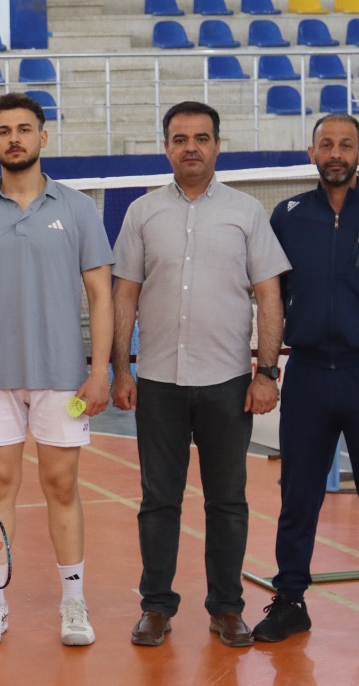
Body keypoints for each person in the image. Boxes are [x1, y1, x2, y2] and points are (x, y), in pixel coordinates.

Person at [110, 101, 290, 649]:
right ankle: (156, 607)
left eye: (201, 138)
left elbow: (269, 295)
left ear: (217, 145)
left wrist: (266, 372)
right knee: (158, 501)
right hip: (159, 381)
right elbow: (124, 295)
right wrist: (121, 368)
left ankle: (227, 608)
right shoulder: (142, 212)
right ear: (166, 146)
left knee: (227, 501)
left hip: (227, 383)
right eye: (180, 138)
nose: (191, 147)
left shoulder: (247, 213)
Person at [0, 92, 114, 648]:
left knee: (62, 485)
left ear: (43, 136)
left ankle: (73, 602)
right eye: (3, 130)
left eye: (23, 129)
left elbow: (101, 296)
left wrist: (100, 370)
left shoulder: (78, 209)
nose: (13, 138)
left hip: (63, 375)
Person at [255, 113, 359, 651]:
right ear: (312, 154)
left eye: (345, 145)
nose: (335, 154)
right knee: (298, 495)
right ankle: (290, 600)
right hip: (308, 374)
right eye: (326, 145)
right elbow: (270, 289)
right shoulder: (287, 216)